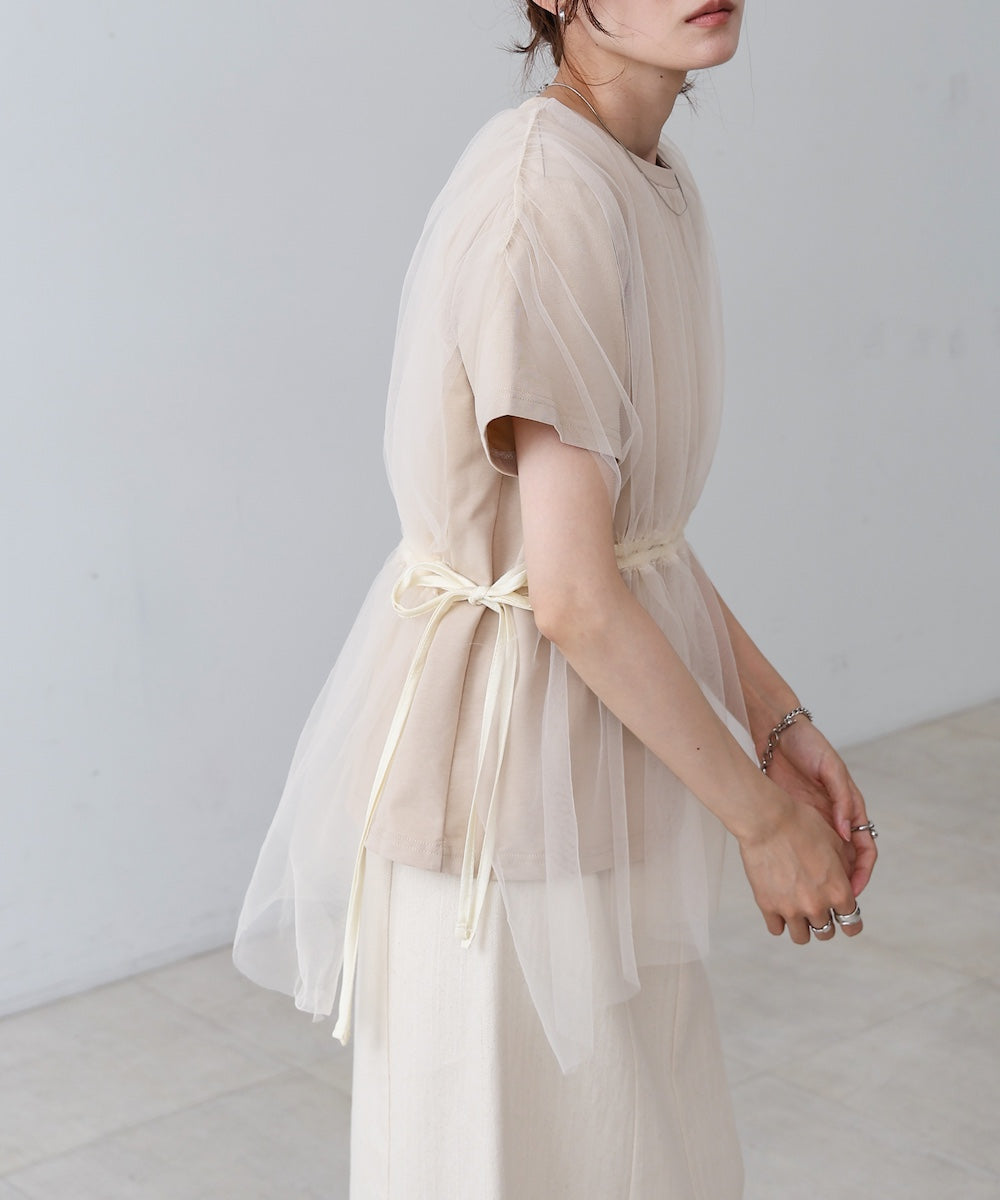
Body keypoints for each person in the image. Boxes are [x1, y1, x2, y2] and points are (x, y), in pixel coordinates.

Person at [233, 1, 878, 1195]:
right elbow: (571, 595)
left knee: (623, 1149)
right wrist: (760, 822)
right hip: (502, 798)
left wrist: (774, 717)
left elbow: (631, 545)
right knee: (512, 1157)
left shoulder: (641, 173)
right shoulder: (546, 196)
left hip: (588, 754)